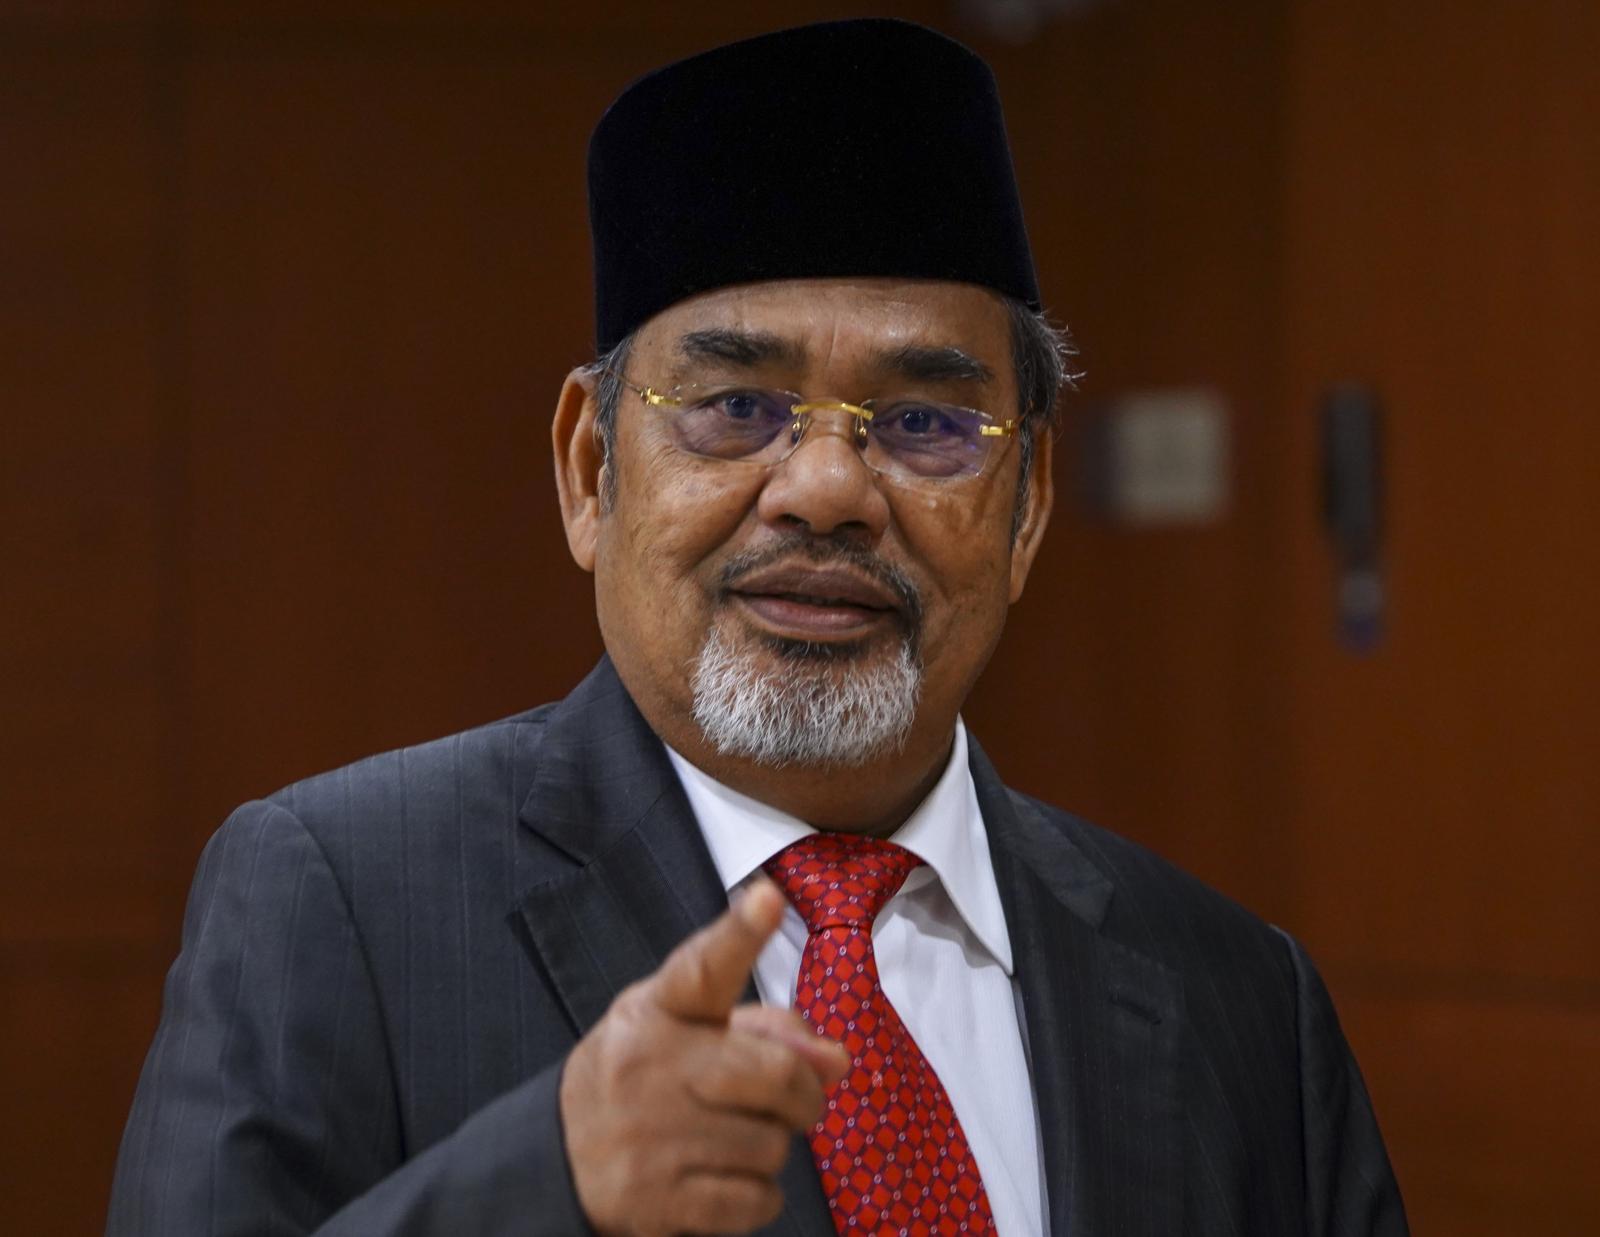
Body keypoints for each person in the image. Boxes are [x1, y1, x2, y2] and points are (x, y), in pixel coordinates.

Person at [108, 18, 1408, 1237]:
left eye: (926, 424)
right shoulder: (340, 901)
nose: (828, 491)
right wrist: (550, 1181)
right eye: (735, 407)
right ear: (589, 471)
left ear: (1027, 508)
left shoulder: (1242, 1003)